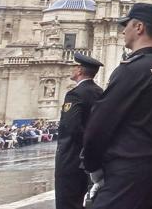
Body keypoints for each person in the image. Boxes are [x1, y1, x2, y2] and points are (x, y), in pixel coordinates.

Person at [82, 3, 152, 209]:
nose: (123, 30)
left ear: (139, 27)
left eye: (127, 25)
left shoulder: (132, 69)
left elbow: (99, 124)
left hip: (130, 172)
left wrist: (92, 167)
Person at [55, 53, 103, 209]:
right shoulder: (100, 92)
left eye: (74, 66)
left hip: (71, 157)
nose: (72, 69)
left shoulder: (75, 94)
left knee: (67, 201)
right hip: (92, 158)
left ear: (80, 70)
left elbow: (71, 127)